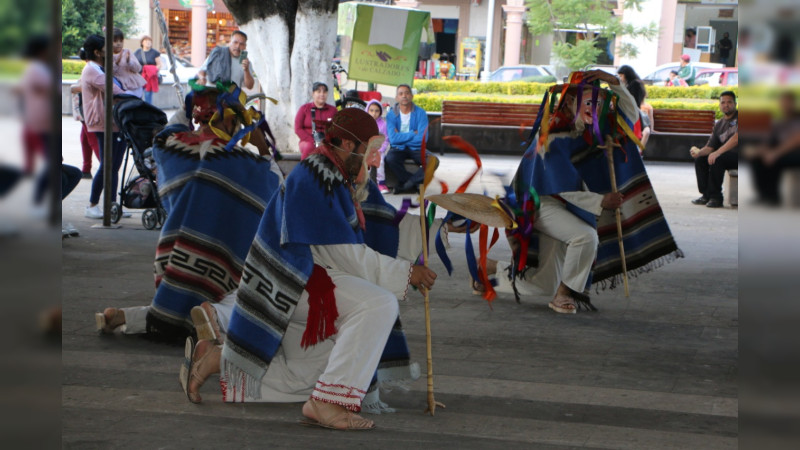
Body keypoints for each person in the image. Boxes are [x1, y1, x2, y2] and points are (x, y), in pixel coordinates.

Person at [180, 108, 462, 430]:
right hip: (295, 286)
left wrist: (443, 226)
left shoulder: (334, 175)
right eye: (369, 151)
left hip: (310, 288)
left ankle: (219, 361)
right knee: (379, 304)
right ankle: (328, 403)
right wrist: (407, 274)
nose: (374, 161)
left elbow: (384, 227)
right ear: (346, 143)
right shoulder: (316, 176)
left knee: (313, 376)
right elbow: (344, 254)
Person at [477, 71, 681, 313]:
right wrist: (601, 200)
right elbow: (560, 186)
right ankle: (564, 293)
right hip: (538, 205)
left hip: (564, 205)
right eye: (588, 102)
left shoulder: (591, 128)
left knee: (543, 283)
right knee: (585, 237)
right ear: (571, 102)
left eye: (598, 103)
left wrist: (613, 82)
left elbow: (631, 114)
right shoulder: (552, 133)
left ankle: (486, 272)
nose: (593, 108)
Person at [94, 81, 283, 339]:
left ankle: (124, 316)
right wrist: (260, 141)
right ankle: (211, 316)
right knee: (252, 303)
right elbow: (276, 179)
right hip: (221, 264)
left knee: (174, 309)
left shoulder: (170, 147)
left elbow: (172, 124)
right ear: (231, 120)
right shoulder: (245, 165)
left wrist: (190, 106)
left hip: (174, 258)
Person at [79, 34, 131, 219]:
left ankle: (112, 205)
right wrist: (131, 97)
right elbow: (114, 90)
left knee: (114, 166)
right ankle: (93, 205)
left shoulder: (101, 67)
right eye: (106, 47)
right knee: (107, 165)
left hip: (114, 121)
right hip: (102, 122)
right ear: (97, 51)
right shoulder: (92, 70)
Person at [750, 91, 800, 206]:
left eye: (788, 102)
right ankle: (764, 195)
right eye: (783, 102)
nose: (785, 105)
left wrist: (776, 153)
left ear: (793, 104)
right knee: (757, 158)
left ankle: (773, 197)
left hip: (796, 152)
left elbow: (796, 140)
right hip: (782, 150)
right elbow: (771, 139)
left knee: (775, 161)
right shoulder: (781, 120)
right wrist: (761, 150)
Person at [690, 91, 738, 208]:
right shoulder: (719, 124)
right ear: (720, 105)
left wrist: (717, 153)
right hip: (725, 155)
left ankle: (716, 197)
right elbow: (710, 147)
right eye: (723, 102)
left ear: (735, 104)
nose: (726, 105)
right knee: (701, 160)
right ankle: (706, 195)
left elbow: (737, 138)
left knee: (717, 159)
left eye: (729, 102)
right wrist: (699, 153)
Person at [384, 84, 429, 194]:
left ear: (412, 96)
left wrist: (401, 136)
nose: (404, 96)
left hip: (417, 148)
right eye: (401, 94)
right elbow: (393, 139)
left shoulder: (421, 113)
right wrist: (412, 133)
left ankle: (406, 184)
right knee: (390, 158)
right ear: (396, 98)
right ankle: (414, 182)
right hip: (398, 148)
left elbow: (423, 138)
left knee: (433, 161)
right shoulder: (391, 115)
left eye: (407, 93)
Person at [294, 81, 336, 159]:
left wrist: (326, 141)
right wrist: (312, 140)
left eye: (324, 92)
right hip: (307, 141)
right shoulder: (304, 109)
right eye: (318, 91)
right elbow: (298, 129)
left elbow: (336, 129)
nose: (322, 94)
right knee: (310, 147)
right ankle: (303, 169)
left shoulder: (333, 110)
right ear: (313, 94)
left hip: (326, 142)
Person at [617, 65, 651, 149]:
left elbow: (633, 101)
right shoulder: (634, 83)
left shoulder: (635, 84)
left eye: (621, 76)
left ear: (627, 74)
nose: (620, 78)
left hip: (633, 113)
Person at [111, 28, 145, 99]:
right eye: (115, 41)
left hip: (136, 86)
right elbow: (110, 72)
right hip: (123, 88)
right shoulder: (107, 56)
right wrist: (116, 63)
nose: (118, 43)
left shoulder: (127, 52)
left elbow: (138, 68)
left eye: (121, 41)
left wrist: (129, 62)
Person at [366, 99, 390, 193]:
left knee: (380, 163)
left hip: (379, 150)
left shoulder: (383, 125)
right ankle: (365, 183)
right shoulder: (364, 123)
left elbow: (386, 139)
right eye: (371, 110)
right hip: (366, 150)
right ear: (367, 110)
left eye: (377, 111)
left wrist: (381, 150)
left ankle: (381, 183)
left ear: (380, 112)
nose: (374, 113)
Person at [134, 35, 162, 104]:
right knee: (138, 94)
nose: (148, 42)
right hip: (139, 77)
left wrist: (152, 70)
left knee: (148, 95)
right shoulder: (137, 52)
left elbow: (159, 64)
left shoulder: (155, 52)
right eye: (146, 41)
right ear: (142, 43)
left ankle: (148, 110)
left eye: (149, 41)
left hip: (149, 78)